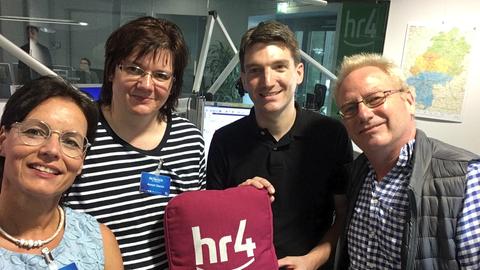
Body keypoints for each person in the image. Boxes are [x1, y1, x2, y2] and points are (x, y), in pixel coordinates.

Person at [207, 21, 353, 269]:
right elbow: (213, 224)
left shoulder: (331, 134)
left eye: (279, 67)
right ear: (243, 79)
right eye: (254, 70)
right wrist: (237, 200)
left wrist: (312, 260)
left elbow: (344, 214)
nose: (267, 81)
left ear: (298, 72)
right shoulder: (224, 141)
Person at [66, 17, 206, 269]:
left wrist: (244, 195)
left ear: (172, 83)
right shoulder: (79, 132)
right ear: (111, 71)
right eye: (134, 69)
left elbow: (199, 221)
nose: (146, 85)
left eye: (161, 75)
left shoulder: (189, 140)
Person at [333, 53, 480, 269]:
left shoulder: (467, 179)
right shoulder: (357, 174)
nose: (363, 114)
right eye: (350, 108)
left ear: (409, 100)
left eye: (375, 98)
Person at [0, 76, 123, 269]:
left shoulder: (99, 241)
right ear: (3, 140)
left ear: (81, 160)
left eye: (71, 142)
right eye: (35, 132)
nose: (52, 150)